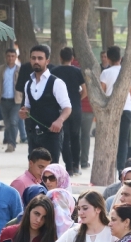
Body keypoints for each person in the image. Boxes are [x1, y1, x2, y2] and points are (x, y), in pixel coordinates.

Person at [19, 45, 72, 163]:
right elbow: (27, 106)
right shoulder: (28, 84)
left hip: (51, 135)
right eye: (33, 58)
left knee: (50, 170)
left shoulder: (56, 83)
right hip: (33, 135)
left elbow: (67, 107)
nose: (36, 61)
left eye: (40, 58)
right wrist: (24, 112)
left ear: (47, 61)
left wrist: (60, 120)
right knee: (33, 169)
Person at [100, 46, 131, 175]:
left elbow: (102, 92)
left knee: (110, 139)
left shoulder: (105, 73)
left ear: (108, 58)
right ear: (120, 58)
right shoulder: (126, 72)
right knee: (123, 140)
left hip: (110, 110)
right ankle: (121, 167)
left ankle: (109, 165)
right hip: (126, 108)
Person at [54, 47, 87, 176]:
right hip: (75, 108)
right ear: (72, 58)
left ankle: (68, 167)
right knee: (75, 137)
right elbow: (85, 91)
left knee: (64, 138)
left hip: (61, 109)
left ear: (60, 58)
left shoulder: (54, 71)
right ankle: (76, 164)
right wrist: (76, 98)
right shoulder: (78, 71)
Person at [0, 49, 22, 153]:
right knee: (7, 123)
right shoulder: (1, 70)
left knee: (13, 122)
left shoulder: (19, 70)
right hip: (4, 100)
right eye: (9, 56)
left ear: (16, 57)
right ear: (6, 57)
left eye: (13, 56)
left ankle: (11, 144)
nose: (11, 58)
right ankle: (10, 140)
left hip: (16, 101)